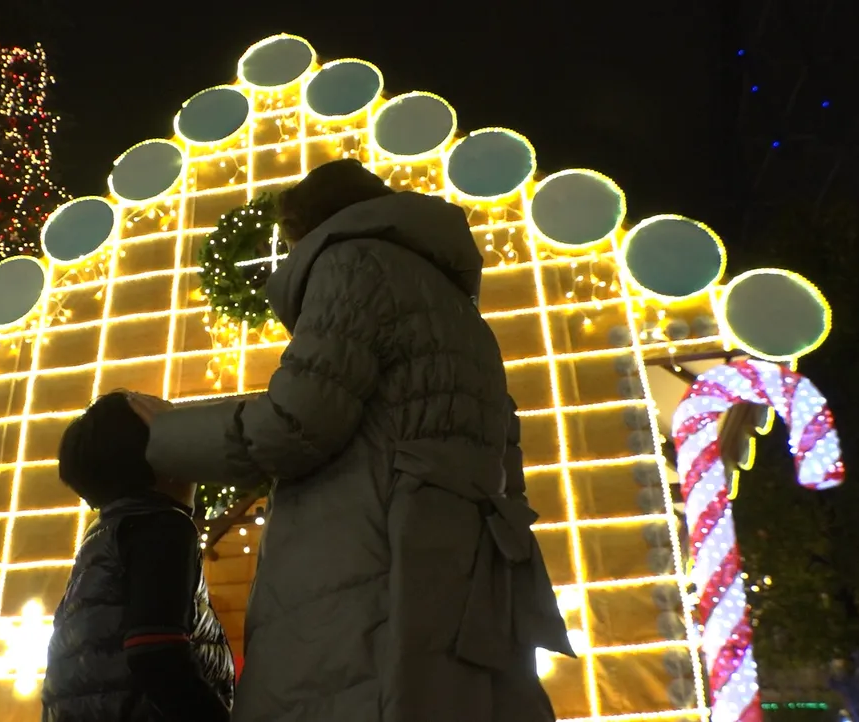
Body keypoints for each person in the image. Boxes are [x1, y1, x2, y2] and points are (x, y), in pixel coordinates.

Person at [129, 159, 574, 722]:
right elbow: (506, 452)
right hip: (464, 565)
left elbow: (297, 422)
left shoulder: (350, 262)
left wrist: (158, 438)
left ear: (304, 229)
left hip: (370, 547)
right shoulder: (458, 310)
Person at [41, 391, 234, 722]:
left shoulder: (105, 534)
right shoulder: (162, 526)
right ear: (162, 457)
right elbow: (156, 652)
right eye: (175, 430)